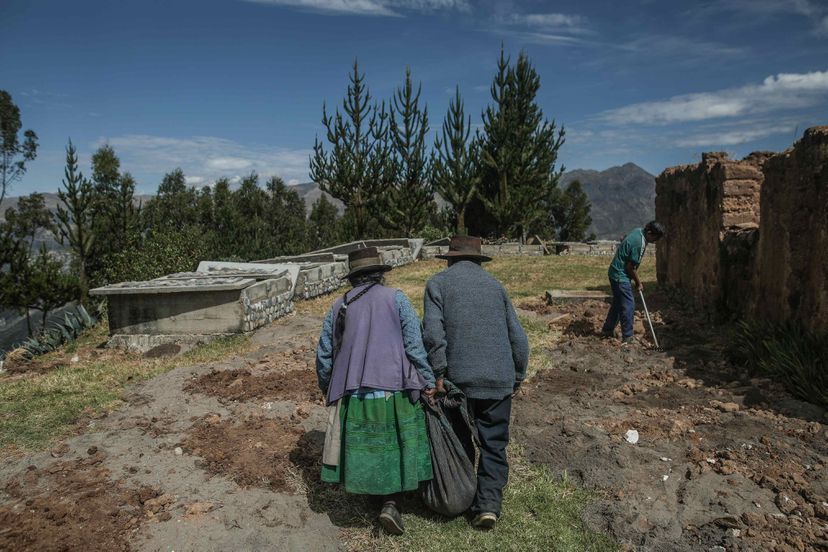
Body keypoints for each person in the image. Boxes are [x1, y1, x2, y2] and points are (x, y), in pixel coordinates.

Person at [315, 247, 436, 536]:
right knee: (392, 446)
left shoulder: (338, 306)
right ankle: (391, 502)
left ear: (353, 277)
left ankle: (377, 498)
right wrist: (428, 381)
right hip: (395, 390)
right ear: (380, 274)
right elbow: (414, 347)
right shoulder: (397, 299)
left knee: (367, 447)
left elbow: (324, 355)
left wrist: (328, 386)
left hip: (353, 392)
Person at [422, 235, 529, 529]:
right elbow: (519, 339)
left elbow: (433, 334)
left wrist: (439, 373)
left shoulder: (438, 284)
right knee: (494, 444)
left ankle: (461, 496)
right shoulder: (496, 287)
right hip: (498, 380)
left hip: (459, 383)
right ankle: (489, 505)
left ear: (451, 258)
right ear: (479, 260)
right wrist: (517, 375)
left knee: (459, 439)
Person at [601, 220, 666, 344]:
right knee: (628, 305)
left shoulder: (638, 231)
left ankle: (607, 330)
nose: (655, 241)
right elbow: (630, 268)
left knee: (618, 303)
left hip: (614, 272)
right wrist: (638, 282)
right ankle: (628, 337)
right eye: (655, 238)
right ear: (649, 232)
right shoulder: (639, 243)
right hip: (621, 276)